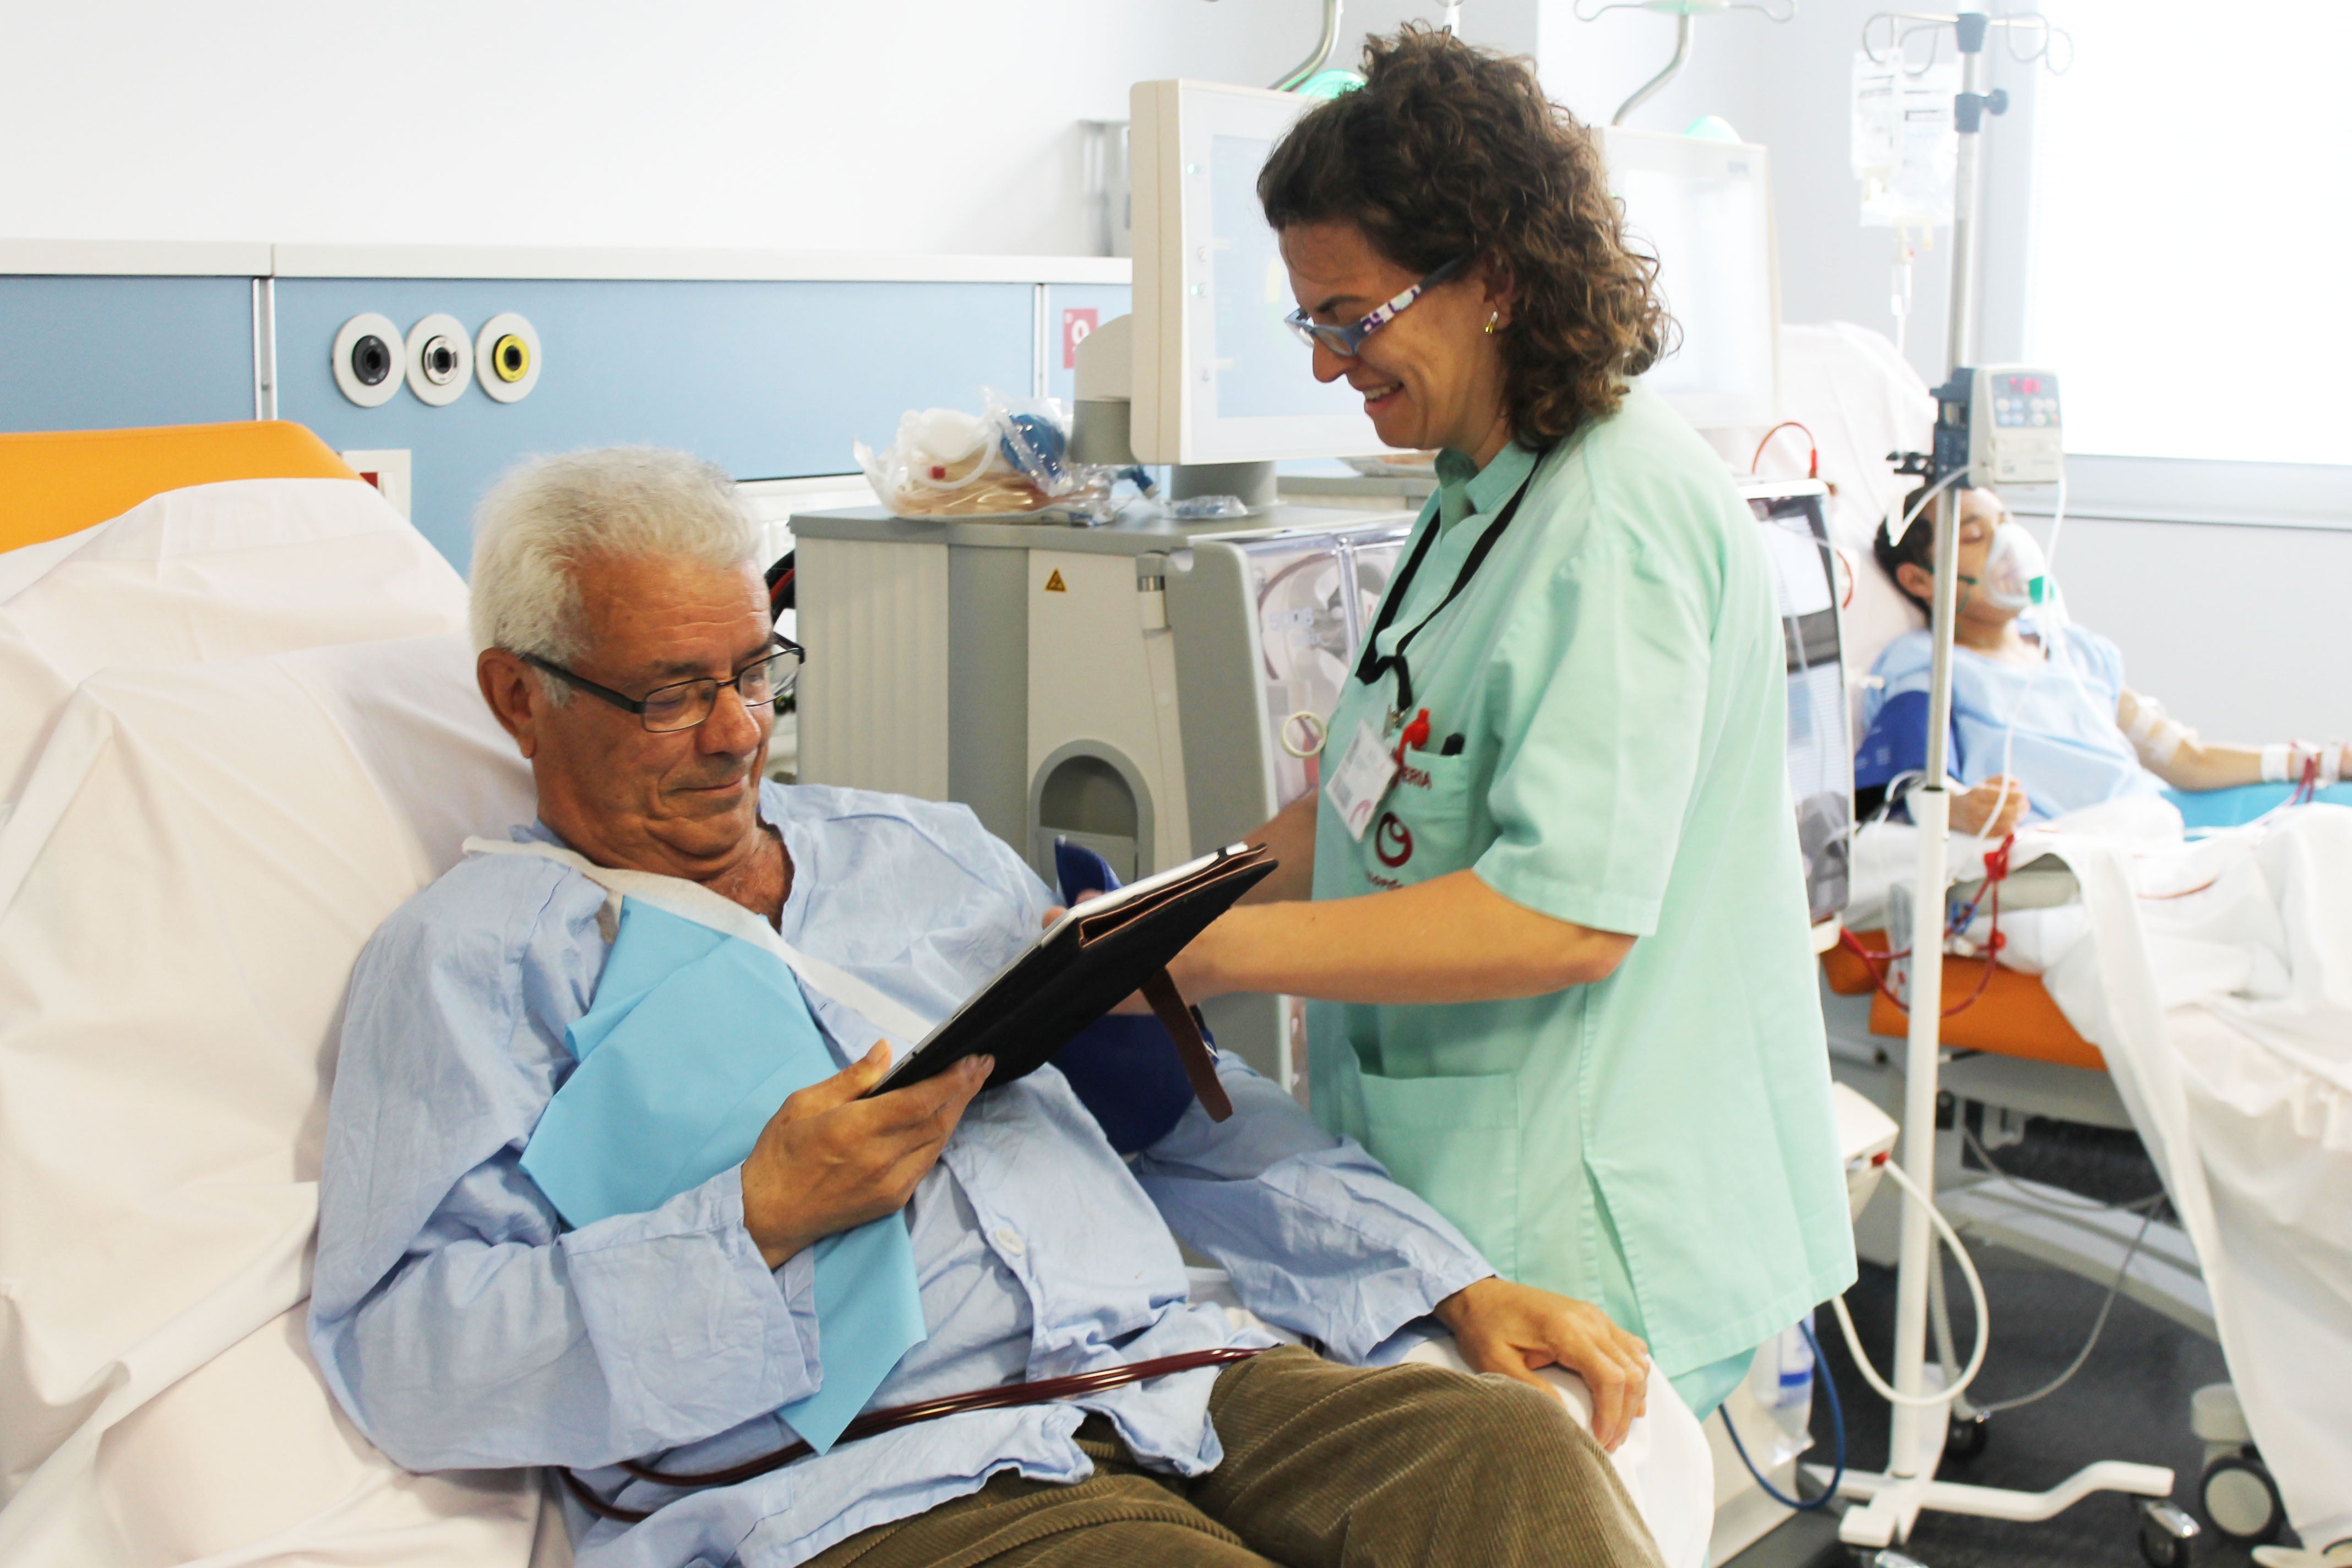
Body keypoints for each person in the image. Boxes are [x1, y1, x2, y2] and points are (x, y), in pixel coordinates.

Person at [307, 447, 1670, 1568]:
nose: (735, 732)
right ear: (516, 696)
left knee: (1512, 1457)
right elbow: (409, 1352)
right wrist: (752, 1218)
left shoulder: (927, 855)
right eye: (671, 694)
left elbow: (1177, 1119)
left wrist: (1446, 1274)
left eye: (749, 671)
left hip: (1169, 1382)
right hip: (874, 1478)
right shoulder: (475, 961)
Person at [1156, 29, 1855, 1423]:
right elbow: (1366, 799)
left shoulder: (1614, 515)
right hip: (1468, 1173)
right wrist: (1169, 908)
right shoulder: (1479, 488)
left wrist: (1216, 950)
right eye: (1313, 321)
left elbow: (1564, 917)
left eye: (1352, 318)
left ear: (1491, 277)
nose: (1329, 365)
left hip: (1582, 1197)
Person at [1860, 483, 2351, 832]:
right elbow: (1914, 782)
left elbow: (2185, 759)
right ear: (1919, 582)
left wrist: (2320, 760)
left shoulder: (2075, 653)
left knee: (2340, 809)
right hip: (2082, 845)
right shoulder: (1928, 666)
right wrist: (1960, 808)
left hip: (2151, 820)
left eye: (2005, 524)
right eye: (1974, 536)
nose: (2008, 547)